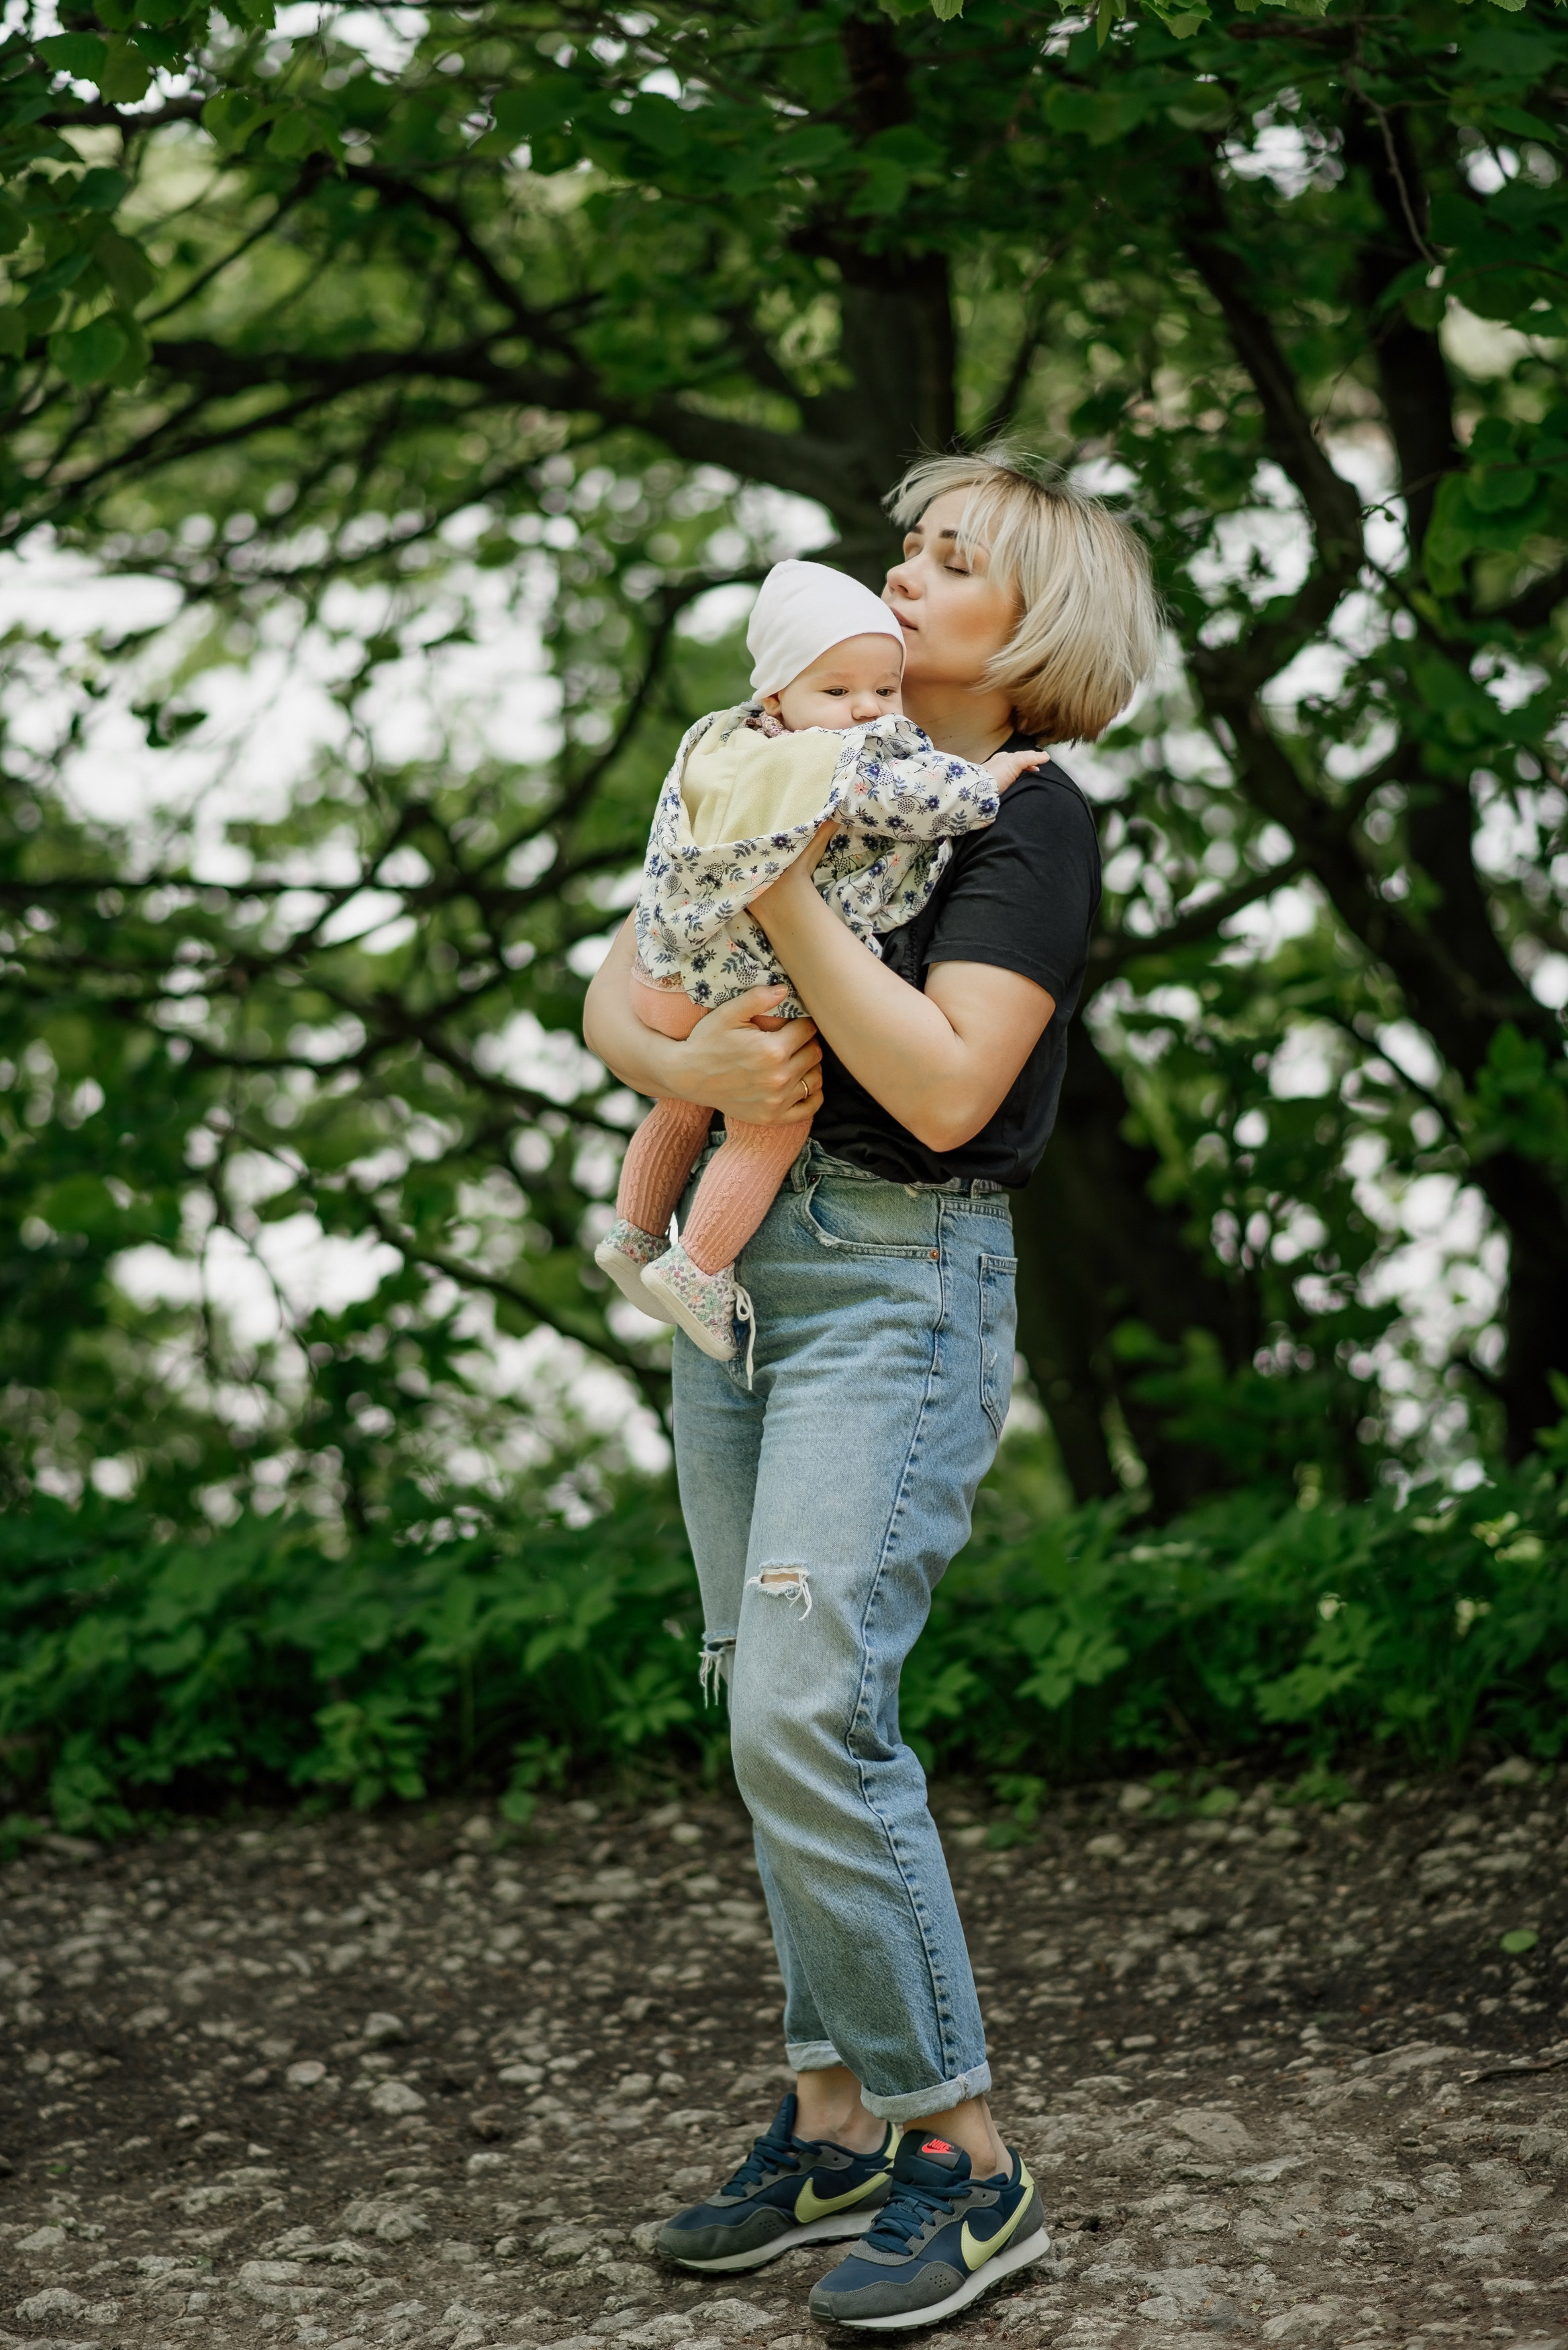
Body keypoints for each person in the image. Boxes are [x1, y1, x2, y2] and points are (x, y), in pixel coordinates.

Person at [583, 449, 1159, 2332]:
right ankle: (830, 2118)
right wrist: (719, 1071)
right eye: (902, 550)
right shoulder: (773, 738)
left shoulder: (1034, 821)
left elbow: (938, 1089)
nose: (903, 578)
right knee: (760, 1694)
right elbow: (613, 1002)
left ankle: (964, 2162)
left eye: (952, 561)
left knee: (811, 1702)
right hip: (745, 1274)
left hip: (900, 1285)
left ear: (1038, 624)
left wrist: (793, 879)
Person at [595, 557, 1046, 1364]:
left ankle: (633, 1233)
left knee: (683, 1104)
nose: (866, 710)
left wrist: (683, 1064)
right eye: (838, 694)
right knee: (770, 1122)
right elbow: (921, 801)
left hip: (665, 986)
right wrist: (989, 782)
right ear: (778, 695)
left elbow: (619, 982)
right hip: (747, 997)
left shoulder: (715, 743)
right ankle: (695, 1267)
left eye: (882, 691)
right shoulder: (833, 761)